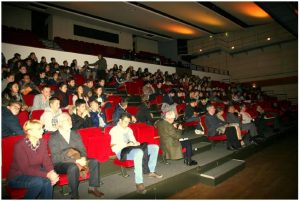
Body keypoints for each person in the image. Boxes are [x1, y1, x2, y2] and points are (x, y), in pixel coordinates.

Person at [48, 113, 104, 199]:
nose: (70, 121)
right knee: (73, 167)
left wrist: (83, 158)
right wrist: (76, 161)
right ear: (59, 124)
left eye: (69, 119)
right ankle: (74, 194)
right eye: (67, 120)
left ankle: (92, 187)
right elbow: (56, 157)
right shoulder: (53, 137)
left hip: (77, 157)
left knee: (94, 161)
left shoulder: (75, 133)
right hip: (61, 163)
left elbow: (82, 149)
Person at [109, 113, 163, 194]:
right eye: (125, 122)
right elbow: (113, 146)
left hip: (132, 148)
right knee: (139, 152)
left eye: (128, 122)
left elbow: (133, 141)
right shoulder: (114, 130)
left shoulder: (129, 130)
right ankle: (139, 182)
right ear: (120, 120)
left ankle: (151, 171)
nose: (127, 124)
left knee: (155, 147)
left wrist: (136, 143)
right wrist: (126, 145)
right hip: (121, 151)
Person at [7, 120, 59, 199]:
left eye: (42, 128)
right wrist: (47, 174)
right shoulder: (20, 146)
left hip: (36, 173)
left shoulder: (43, 142)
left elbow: (46, 160)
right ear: (29, 132)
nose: (42, 131)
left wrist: (52, 172)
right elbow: (25, 169)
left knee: (47, 181)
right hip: (18, 176)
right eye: (39, 129)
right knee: (38, 182)